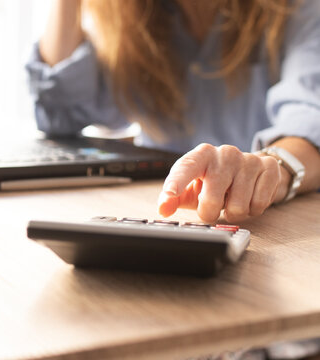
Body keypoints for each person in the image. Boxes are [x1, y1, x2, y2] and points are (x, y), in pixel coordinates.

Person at [26, 0, 320, 227]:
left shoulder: (297, 10)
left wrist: (270, 171)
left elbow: (310, 119)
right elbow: (59, 112)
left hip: (277, 230)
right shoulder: (132, 17)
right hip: (162, 218)